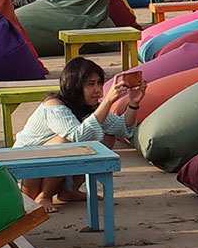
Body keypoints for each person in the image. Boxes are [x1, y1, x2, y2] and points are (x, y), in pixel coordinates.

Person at [15, 58, 146, 201]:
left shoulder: (89, 106)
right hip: (27, 172)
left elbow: (122, 129)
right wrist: (108, 101)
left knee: (108, 136)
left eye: (99, 83)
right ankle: (44, 196)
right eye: (90, 84)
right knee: (65, 141)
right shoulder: (54, 106)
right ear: (75, 86)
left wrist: (133, 103)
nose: (97, 89)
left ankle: (69, 191)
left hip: (50, 169)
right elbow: (77, 137)